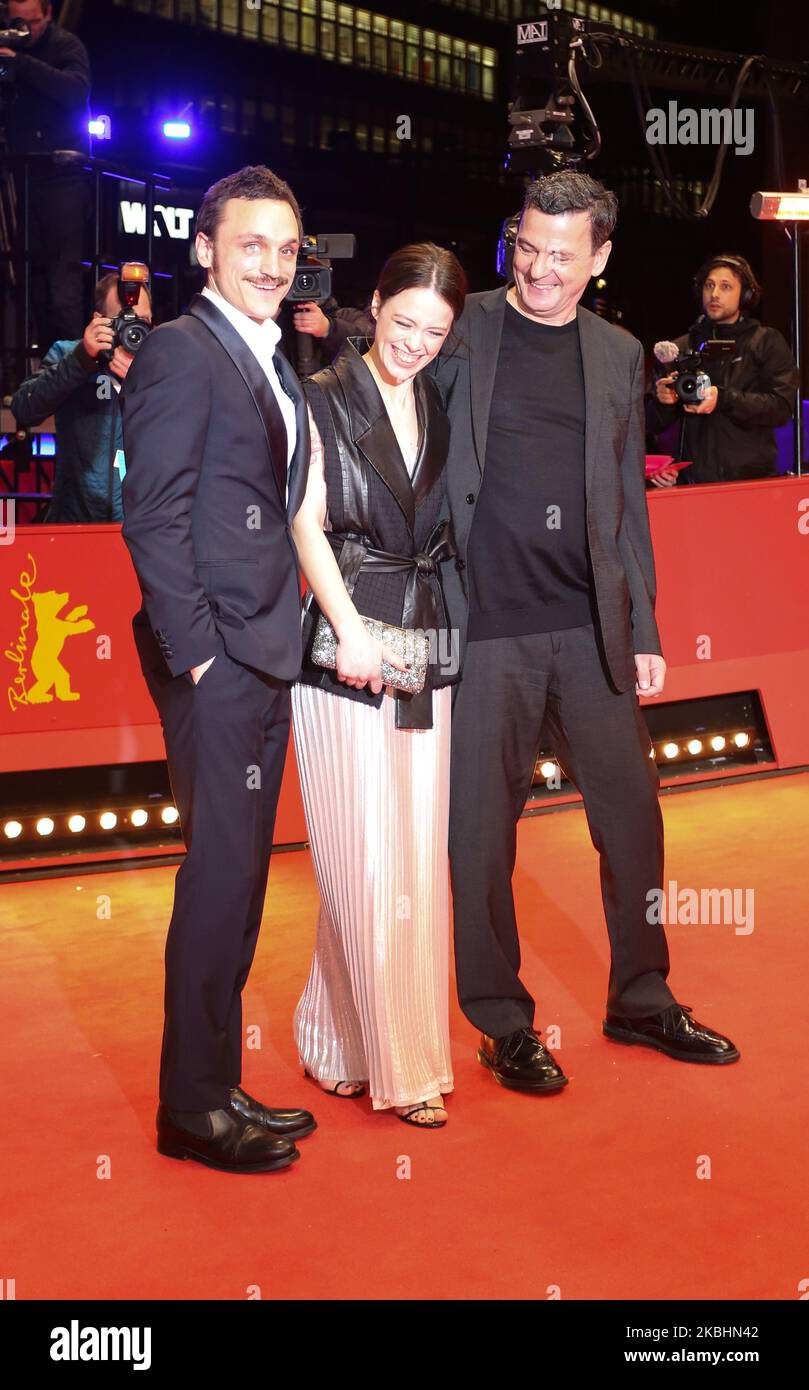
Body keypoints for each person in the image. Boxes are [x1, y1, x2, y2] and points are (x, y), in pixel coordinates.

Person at [431, 170, 740, 1093]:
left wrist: (643, 624)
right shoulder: (466, 326)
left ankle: (640, 997)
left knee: (633, 823)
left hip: (588, 627)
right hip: (483, 629)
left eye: (562, 256)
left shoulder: (615, 353)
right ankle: (500, 1019)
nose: (540, 270)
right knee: (480, 839)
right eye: (527, 248)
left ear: (599, 257)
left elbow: (626, 509)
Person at [120, 165, 317, 1174]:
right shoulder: (181, 351)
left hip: (263, 651)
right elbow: (149, 514)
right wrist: (199, 654)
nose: (272, 265)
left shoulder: (266, 355)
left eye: (286, 248)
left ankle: (216, 1077)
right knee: (219, 879)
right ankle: (189, 1109)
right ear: (204, 248)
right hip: (220, 662)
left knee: (241, 880)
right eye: (250, 244)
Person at [290, 242, 467, 1127]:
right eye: (404, 324)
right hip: (343, 645)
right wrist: (350, 630)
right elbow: (305, 522)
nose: (416, 344)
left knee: (407, 857)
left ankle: (332, 1038)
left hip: (427, 643)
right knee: (362, 855)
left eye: (435, 332)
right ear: (374, 306)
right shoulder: (319, 397)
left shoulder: (442, 397)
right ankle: (406, 1068)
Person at [647, 253, 799, 487]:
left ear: (745, 295)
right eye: (709, 285)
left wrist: (724, 399)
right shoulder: (679, 348)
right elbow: (651, 425)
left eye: (726, 286)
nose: (715, 294)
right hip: (691, 485)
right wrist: (662, 402)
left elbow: (781, 408)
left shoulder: (765, 341)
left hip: (751, 484)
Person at [10, 272, 152, 522]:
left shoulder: (164, 367)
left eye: (141, 321)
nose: (132, 330)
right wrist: (82, 360)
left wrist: (143, 384)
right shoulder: (70, 354)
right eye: (122, 321)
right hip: (76, 525)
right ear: (99, 321)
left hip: (142, 531)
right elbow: (24, 408)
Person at [2, 0, 91, 349]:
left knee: (62, 281)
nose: (24, 30)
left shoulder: (66, 46)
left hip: (63, 178)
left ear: (48, 15)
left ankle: (71, 376)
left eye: (31, 23)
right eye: (15, 22)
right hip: (21, 176)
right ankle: (36, 373)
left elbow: (75, 90)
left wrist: (20, 63)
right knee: (29, 278)